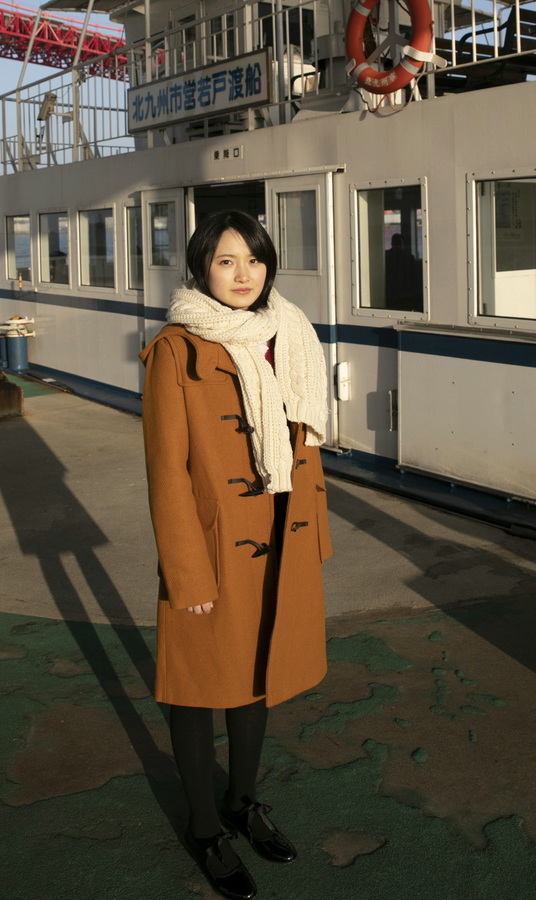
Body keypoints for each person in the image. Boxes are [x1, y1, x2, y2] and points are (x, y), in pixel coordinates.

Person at [139, 210, 332, 900]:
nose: (244, 274)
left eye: (254, 259)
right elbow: (166, 470)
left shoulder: (289, 332)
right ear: (201, 268)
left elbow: (304, 443)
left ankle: (242, 801)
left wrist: (316, 535)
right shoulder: (175, 348)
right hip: (214, 545)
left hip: (283, 530)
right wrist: (186, 571)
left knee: (258, 675)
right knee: (197, 687)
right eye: (226, 261)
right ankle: (204, 827)